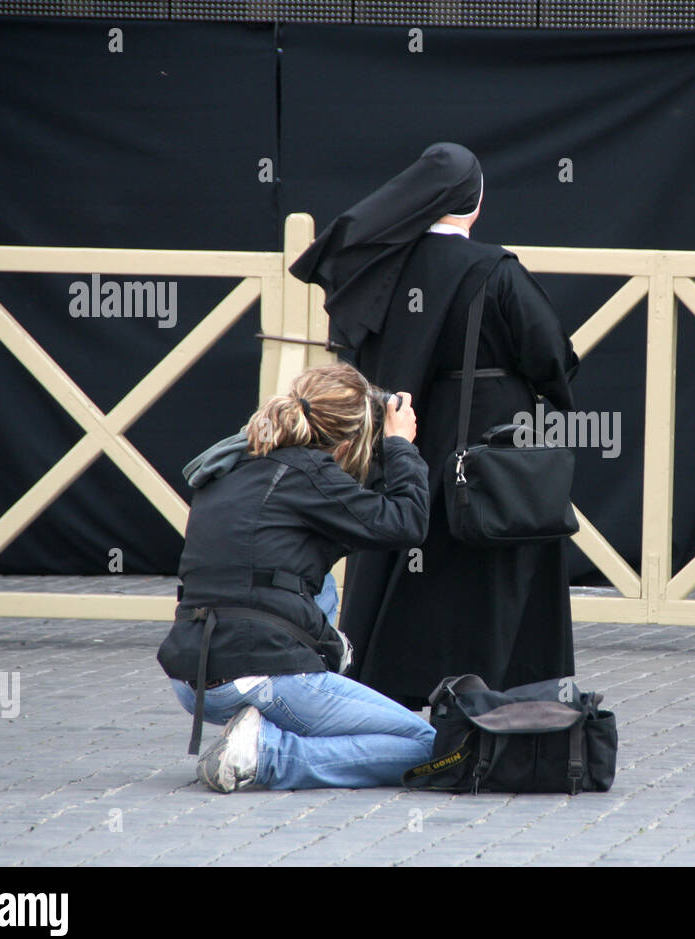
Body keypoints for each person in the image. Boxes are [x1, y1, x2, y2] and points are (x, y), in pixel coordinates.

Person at [289, 142, 580, 709]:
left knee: (405, 551)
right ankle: (498, 697)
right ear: (473, 203)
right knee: (491, 566)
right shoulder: (496, 269)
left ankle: (389, 691)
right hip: (488, 449)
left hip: (399, 437)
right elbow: (549, 354)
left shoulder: (381, 268)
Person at [156, 363, 435, 792]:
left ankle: (270, 726)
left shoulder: (234, 463)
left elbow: (353, 521)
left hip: (192, 679)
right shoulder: (310, 475)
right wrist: (399, 445)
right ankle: (270, 756)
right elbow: (405, 523)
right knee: (424, 744)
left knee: (314, 581)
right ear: (349, 440)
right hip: (256, 672)